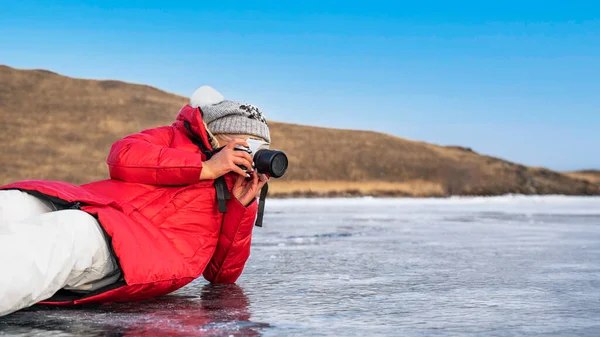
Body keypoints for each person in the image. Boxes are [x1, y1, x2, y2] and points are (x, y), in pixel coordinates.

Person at [0, 86, 271, 316]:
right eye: (251, 145)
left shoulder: (236, 188)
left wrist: (241, 205)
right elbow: (122, 156)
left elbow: (221, 275)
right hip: (95, 205)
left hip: (136, 249)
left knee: (67, 232)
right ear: (220, 135)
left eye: (262, 149)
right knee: (13, 204)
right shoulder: (172, 137)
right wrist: (204, 167)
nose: (254, 156)